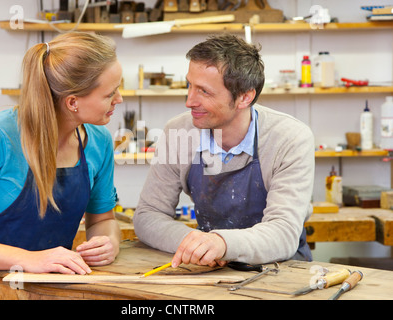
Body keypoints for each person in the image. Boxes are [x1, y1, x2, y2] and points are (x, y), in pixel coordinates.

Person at [0, 32, 123, 300]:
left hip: (42, 293)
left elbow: (103, 219)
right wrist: (28, 259)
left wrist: (109, 242)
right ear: (72, 102)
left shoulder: (99, 142)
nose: (119, 99)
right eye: (110, 93)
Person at [133, 34, 314, 269]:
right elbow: (148, 216)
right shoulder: (178, 131)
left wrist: (221, 243)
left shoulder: (290, 138)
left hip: (281, 270)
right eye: (190, 85)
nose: (189, 101)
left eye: (204, 92)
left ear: (244, 97)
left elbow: (283, 233)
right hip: (209, 266)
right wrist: (198, 245)